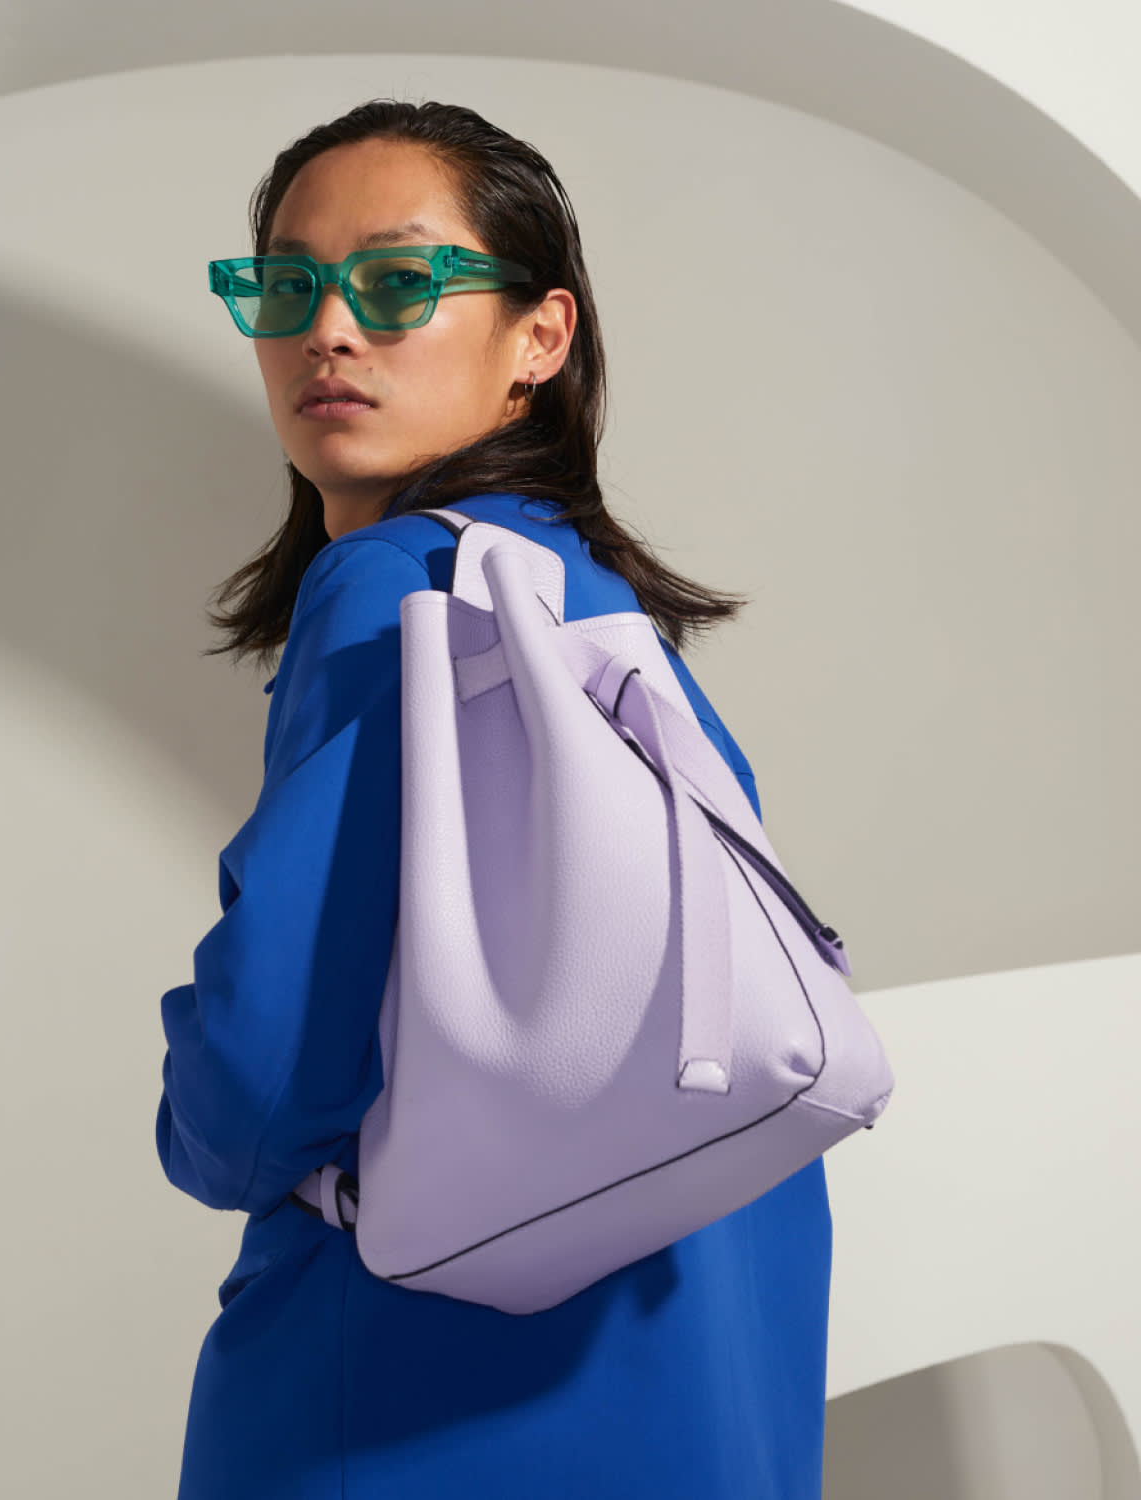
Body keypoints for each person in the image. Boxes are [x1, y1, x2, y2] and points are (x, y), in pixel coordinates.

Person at [156, 98, 832, 1499]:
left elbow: (258, 1081)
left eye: (399, 282)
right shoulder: (601, 621)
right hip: (695, 1383)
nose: (326, 329)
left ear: (542, 336)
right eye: (285, 284)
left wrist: (195, 1107)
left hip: (414, 1396)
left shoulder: (390, 586)